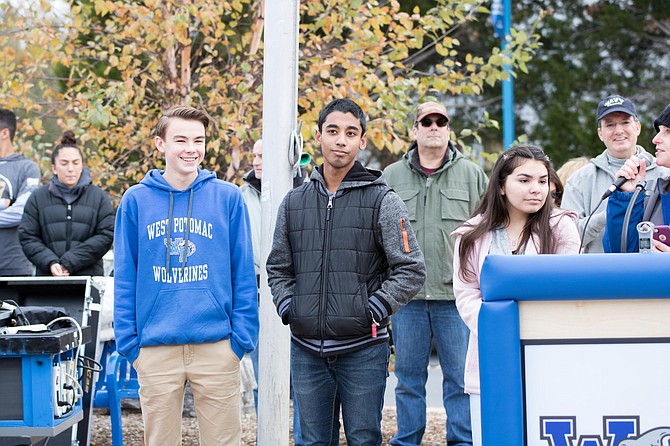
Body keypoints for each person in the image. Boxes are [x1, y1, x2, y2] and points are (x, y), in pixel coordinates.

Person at [266, 98, 426, 445]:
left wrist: (373, 309)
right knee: (311, 440)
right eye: (333, 131)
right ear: (319, 136)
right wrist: (291, 308)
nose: (341, 140)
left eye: (350, 133)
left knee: (364, 438)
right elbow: (278, 267)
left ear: (362, 141)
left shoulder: (383, 200)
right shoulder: (294, 202)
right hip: (306, 347)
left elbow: (411, 269)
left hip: (363, 349)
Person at [113, 105, 259, 446]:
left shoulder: (227, 198)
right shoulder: (135, 202)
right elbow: (125, 277)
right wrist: (131, 345)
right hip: (155, 348)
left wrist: (240, 341)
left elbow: (243, 273)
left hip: (217, 346)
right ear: (160, 144)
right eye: (180, 139)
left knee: (224, 442)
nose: (191, 148)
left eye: (199, 140)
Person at [452, 146, 580, 446]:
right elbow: (466, 294)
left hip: (549, 354)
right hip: (492, 355)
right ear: (501, 186)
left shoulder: (561, 227)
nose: (536, 189)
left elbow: (566, 289)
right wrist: (499, 328)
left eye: (542, 180)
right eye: (524, 180)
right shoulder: (470, 235)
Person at [383, 101, 488, 446]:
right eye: (425, 121)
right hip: (407, 298)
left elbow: (489, 229)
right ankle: (407, 440)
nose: (433, 126)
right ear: (414, 131)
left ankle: (462, 441)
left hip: (455, 297)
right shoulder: (391, 177)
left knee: (459, 378)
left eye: (440, 121)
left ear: (448, 130)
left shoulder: (472, 174)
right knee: (408, 378)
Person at [240, 138, 305, 445]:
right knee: (259, 368)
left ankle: (304, 436)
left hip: (297, 290)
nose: (256, 161)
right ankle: (263, 434)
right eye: (254, 155)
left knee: (301, 374)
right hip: (255, 290)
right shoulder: (243, 196)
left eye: (264, 156)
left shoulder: (303, 192)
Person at [561, 94, 663, 253]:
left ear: (637, 127)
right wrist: (610, 214)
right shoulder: (580, 179)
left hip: (654, 274)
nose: (618, 130)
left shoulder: (664, 173)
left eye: (625, 122)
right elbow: (565, 239)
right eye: (610, 125)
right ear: (600, 133)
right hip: (600, 275)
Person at [19, 131, 114, 276]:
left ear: (82, 165)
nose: (71, 169)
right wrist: (51, 262)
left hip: (89, 279)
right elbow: (28, 236)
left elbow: (106, 235)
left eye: (76, 163)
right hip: (47, 281)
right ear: (54, 168)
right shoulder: (38, 198)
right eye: (64, 163)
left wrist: (70, 262)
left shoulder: (99, 197)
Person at [603, 104, 670, 253]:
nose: (655, 139)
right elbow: (620, 253)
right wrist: (626, 195)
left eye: (668, 132)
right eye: (659, 131)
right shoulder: (655, 193)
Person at [0, 108, 41, 276]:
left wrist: (11, 206)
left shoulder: (27, 168)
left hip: (14, 266)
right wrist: (4, 204)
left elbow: (22, 212)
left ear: (4, 133)